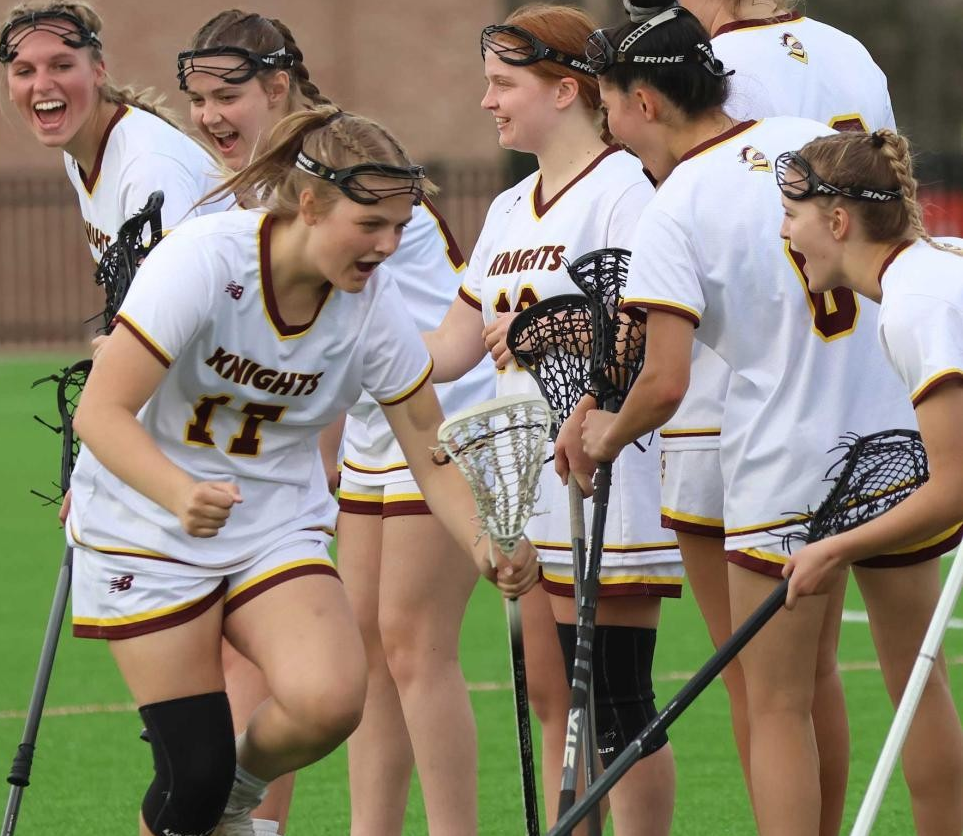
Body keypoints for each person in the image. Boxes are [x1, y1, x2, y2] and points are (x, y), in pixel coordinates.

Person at [66, 106, 537, 836]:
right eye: (369, 225)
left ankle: (234, 791)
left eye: (398, 228)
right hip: (146, 523)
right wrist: (179, 491)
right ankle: (209, 790)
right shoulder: (207, 261)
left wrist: (483, 540)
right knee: (188, 772)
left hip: (269, 524)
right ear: (309, 203)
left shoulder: (369, 307)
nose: (386, 246)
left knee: (329, 701)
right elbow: (99, 413)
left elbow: (425, 440)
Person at [565, 9, 957, 835]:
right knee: (919, 677)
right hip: (896, 439)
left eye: (611, 113)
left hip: (780, 463)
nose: (614, 137)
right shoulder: (812, 141)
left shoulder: (676, 204)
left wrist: (605, 431)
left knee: (777, 705)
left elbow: (666, 382)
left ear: (645, 102)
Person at [177, 11, 493, 835]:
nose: (211, 114)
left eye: (229, 94)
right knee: (362, 654)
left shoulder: (356, 180)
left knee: (416, 649)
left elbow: (413, 350)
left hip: (438, 418)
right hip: (370, 431)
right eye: (199, 96)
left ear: (277, 87)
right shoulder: (265, 191)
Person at [425, 5, 682, 833]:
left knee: (612, 699)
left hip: (606, 466)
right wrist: (340, 348)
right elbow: (453, 348)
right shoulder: (506, 210)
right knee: (551, 695)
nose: (487, 101)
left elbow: (644, 330)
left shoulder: (625, 190)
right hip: (526, 481)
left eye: (504, 84)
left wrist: (550, 330)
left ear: (566, 89)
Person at [778, 128, 963, 835]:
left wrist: (835, 547)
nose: (785, 232)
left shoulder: (920, 304)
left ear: (837, 221)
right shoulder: (926, 276)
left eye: (793, 213)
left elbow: (951, 490)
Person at [0, 2, 226, 265]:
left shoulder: (147, 166)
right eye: (25, 71)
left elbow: (183, 297)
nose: (43, 85)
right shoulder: (77, 152)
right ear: (10, 88)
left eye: (62, 66)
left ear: (98, 71)